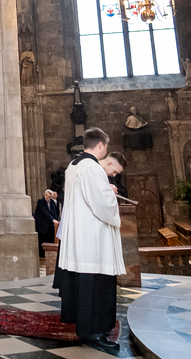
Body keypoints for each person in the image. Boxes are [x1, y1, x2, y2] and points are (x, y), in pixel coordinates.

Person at [53, 128, 125, 352]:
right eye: (106, 146)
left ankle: (86, 329)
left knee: (84, 286)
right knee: (97, 286)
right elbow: (102, 205)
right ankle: (95, 333)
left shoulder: (74, 165)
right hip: (93, 238)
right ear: (101, 145)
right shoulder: (93, 168)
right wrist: (111, 196)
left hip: (79, 236)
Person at [34, 189, 60, 258]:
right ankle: (42, 256)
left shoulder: (52, 203)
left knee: (50, 241)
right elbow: (45, 213)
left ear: (51, 197)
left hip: (50, 226)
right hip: (42, 226)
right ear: (44, 195)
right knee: (42, 242)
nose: (47, 197)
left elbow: (54, 213)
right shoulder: (40, 202)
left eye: (49, 196)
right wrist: (53, 220)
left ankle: (49, 257)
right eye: (46, 195)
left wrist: (55, 221)